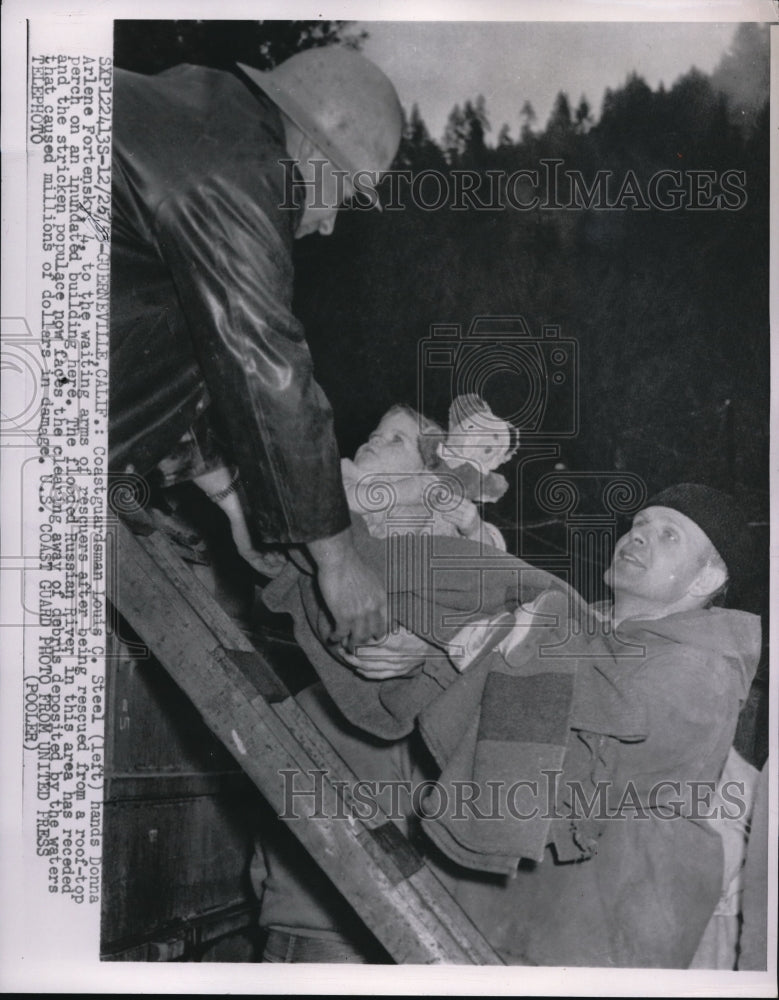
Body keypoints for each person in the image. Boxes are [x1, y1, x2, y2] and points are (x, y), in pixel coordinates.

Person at [257, 483, 761, 967]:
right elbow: (499, 712)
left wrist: (466, 644)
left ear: (704, 581)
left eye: (670, 534)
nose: (639, 535)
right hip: (507, 917)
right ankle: (301, 550)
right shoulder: (585, 628)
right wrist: (424, 651)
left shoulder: (706, 670)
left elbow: (584, 740)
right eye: (639, 523)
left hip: (588, 933)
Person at [109, 47, 403, 646]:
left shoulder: (207, 113)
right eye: (343, 198)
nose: (327, 225)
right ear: (320, 154)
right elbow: (266, 365)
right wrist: (339, 561)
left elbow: (187, 347)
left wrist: (236, 502)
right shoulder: (239, 171)